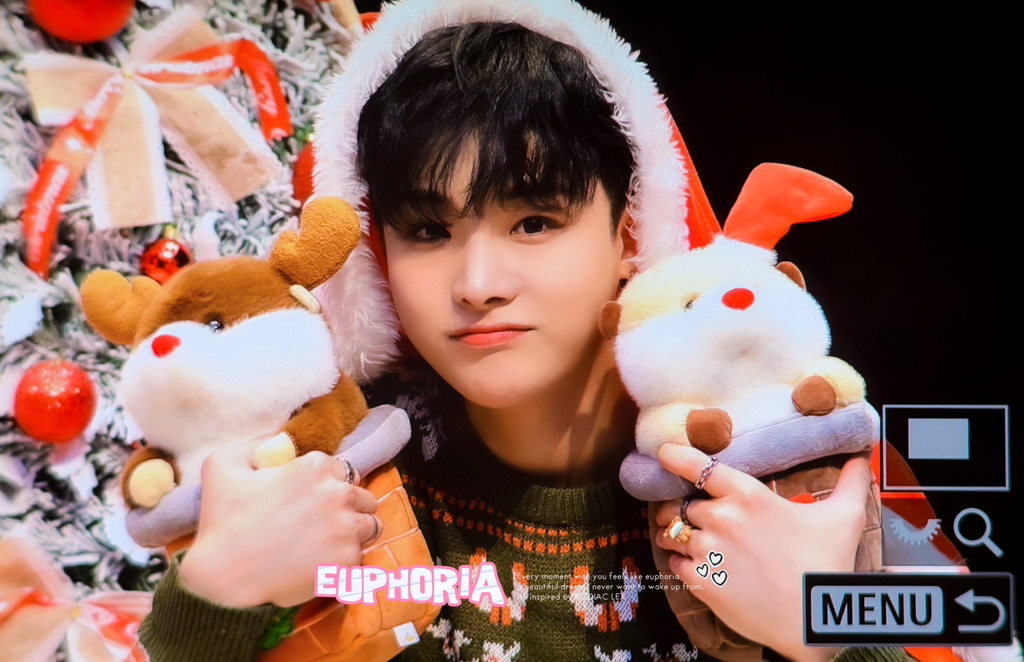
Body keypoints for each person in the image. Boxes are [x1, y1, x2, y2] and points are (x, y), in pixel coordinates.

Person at [138, 1, 913, 660]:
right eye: (428, 231)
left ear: (630, 232)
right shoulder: (339, 471)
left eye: (535, 221)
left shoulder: (771, 456)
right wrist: (214, 597)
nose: (478, 284)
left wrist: (828, 631)